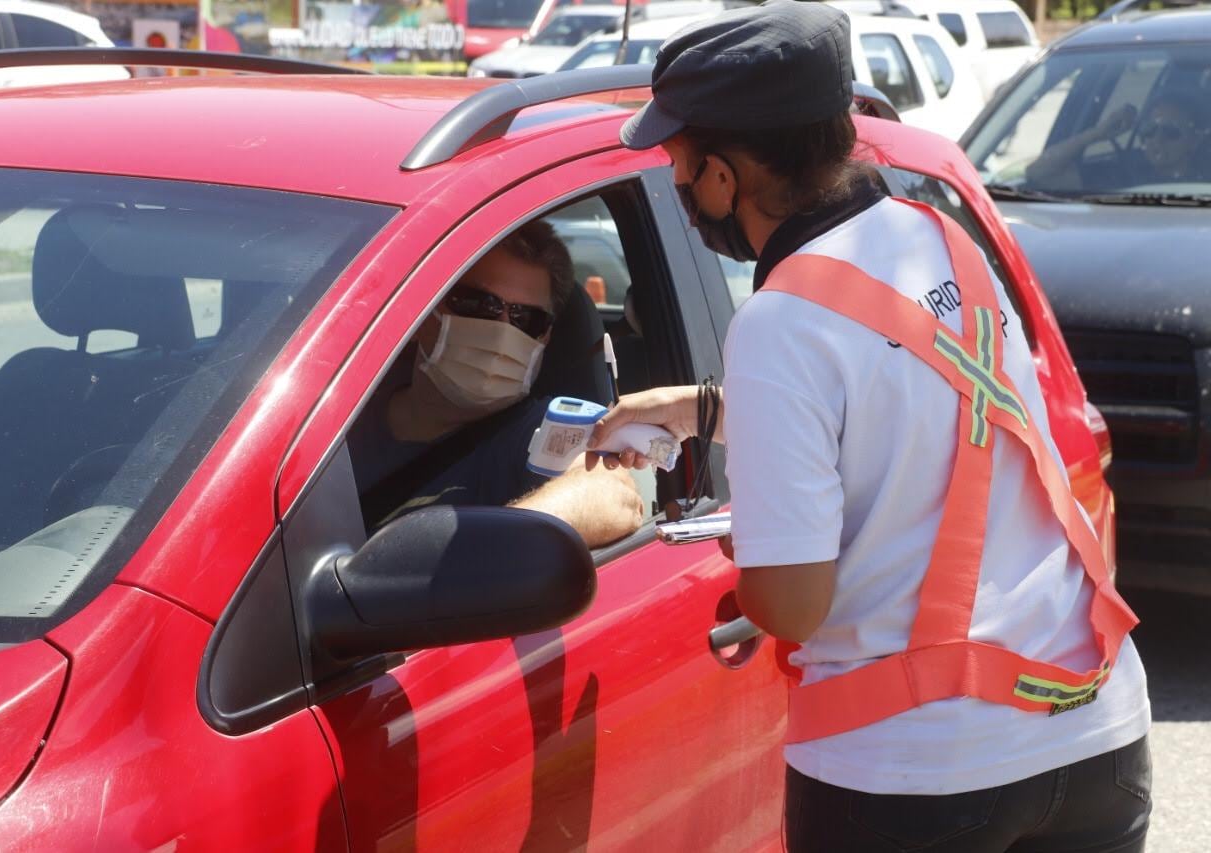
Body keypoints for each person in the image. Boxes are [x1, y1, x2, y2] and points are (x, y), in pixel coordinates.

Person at [590, 3, 1153, 850]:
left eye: (676, 161)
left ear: (721, 175)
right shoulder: (940, 238)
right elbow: (909, 396)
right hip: (1093, 729)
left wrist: (747, 538)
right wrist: (700, 408)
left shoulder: (779, 320)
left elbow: (792, 606)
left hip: (914, 772)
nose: (679, 185)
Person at [350, 220, 644, 548]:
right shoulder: (341, 409)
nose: (503, 330)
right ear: (423, 311)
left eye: (525, 319)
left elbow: (613, 495)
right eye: (480, 304)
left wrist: (471, 551)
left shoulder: (542, 429)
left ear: (545, 338)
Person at [1026, 93, 1210, 189]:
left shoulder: (1204, 181)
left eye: (1171, 132)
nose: (1157, 139)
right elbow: (1038, 173)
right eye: (1149, 130)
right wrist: (1096, 134)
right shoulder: (1121, 174)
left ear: (1194, 140)